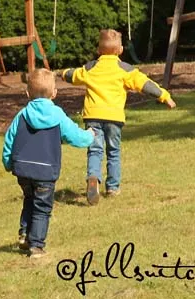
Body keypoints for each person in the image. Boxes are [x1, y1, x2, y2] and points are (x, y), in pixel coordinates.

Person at [57, 29, 176, 205]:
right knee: (113, 151)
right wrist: (164, 96)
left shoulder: (91, 68)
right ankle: (112, 187)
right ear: (120, 50)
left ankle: (93, 178)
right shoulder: (125, 70)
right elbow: (145, 84)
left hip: (93, 116)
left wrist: (61, 72)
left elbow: (73, 75)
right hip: (114, 117)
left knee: (95, 150)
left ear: (98, 50)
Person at [2, 68, 94, 258]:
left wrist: (8, 162)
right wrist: (90, 136)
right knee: (42, 207)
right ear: (54, 93)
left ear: (28, 93)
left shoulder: (21, 115)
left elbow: (9, 140)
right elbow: (75, 136)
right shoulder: (57, 115)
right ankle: (36, 245)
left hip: (23, 169)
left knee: (29, 199)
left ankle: (24, 233)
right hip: (45, 171)